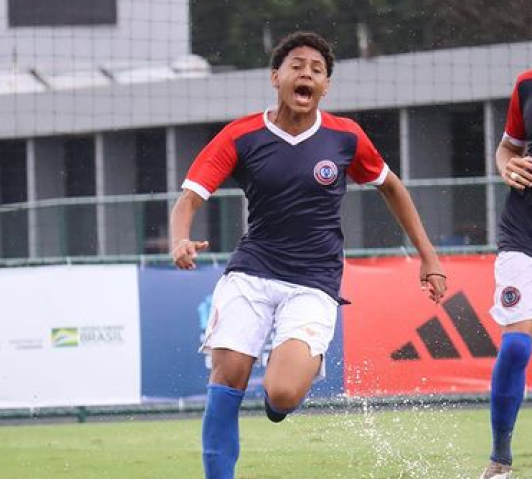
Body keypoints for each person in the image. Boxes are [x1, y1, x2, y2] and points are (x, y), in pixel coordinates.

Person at [170, 31, 448, 479]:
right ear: (275, 77)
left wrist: (428, 256)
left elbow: (392, 187)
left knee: (281, 395)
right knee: (227, 376)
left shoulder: (345, 137)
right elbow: (188, 199)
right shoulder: (241, 135)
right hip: (251, 273)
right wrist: (180, 239)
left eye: (317, 70)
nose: (307, 74)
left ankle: (287, 383)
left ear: (326, 86)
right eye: (297, 66)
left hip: (314, 282)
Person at [479, 69, 532, 479]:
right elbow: (507, 147)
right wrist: (507, 166)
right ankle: (500, 461)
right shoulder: (526, 83)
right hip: (522, 231)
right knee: (515, 347)